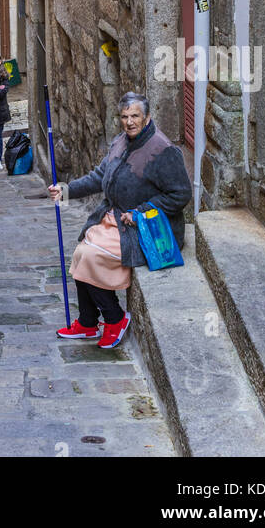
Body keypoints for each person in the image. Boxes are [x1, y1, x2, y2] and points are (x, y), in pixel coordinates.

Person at [48, 91, 192, 350]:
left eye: (135, 116)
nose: (130, 122)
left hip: (147, 227)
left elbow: (180, 194)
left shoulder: (163, 150)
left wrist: (141, 211)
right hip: (117, 219)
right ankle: (88, 322)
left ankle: (115, 318)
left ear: (147, 117)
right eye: (125, 117)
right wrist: (67, 190)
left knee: (91, 256)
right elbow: (99, 176)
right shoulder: (121, 142)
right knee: (82, 250)